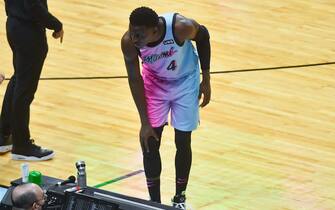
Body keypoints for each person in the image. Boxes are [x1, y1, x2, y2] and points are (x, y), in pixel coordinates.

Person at [121, 6, 211, 208]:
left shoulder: (181, 27)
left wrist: (206, 78)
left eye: (140, 34)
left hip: (186, 80)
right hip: (155, 84)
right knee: (149, 141)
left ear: (155, 29)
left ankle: (180, 197)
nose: (135, 38)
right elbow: (135, 79)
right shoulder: (128, 42)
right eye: (132, 31)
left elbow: (204, 36)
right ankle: (154, 203)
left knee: (183, 139)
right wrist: (144, 122)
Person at [0, 0, 64, 160]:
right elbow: (32, 5)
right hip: (28, 31)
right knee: (24, 90)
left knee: (18, 81)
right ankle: (22, 146)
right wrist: (56, 24)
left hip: (14, 24)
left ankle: (2, 135)